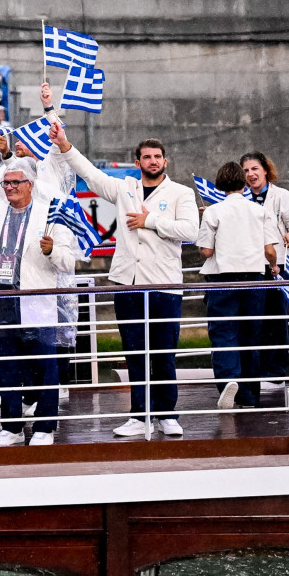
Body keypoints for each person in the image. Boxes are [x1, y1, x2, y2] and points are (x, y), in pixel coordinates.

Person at [53, 123, 199, 436]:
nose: (153, 161)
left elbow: (191, 231)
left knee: (163, 353)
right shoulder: (126, 189)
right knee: (134, 351)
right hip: (128, 283)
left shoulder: (181, 193)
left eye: (158, 156)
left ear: (165, 161)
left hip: (164, 284)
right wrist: (65, 145)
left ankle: (167, 414)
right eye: (147, 157)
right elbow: (91, 174)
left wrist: (151, 221)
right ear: (138, 163)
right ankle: (139, 415)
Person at [0, 160, 80, 446]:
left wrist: (52, 250)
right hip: (0, 299)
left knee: (45, 366)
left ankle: (45, 426)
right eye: (6, 182)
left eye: (16, 182)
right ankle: (12, 426)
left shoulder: (51, 216)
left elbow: (68, 261)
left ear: (31, 184)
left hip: (36, 299)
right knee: (6, 366)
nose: (10, 187)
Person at [196, 162, 276, 412]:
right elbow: (270, 250)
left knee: (223, 333)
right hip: (254, 277)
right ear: (243, 183)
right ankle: (250, 395)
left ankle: (228, 381)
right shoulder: (259, 210)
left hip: (223, 278)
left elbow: (206, 250)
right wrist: (273, 266)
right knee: (251, 335)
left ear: (219, 184)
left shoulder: (213, 212)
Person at [241, 151, 289, 391]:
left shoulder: (282, 196)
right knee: (253, 319)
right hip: (250, 265)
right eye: (246, 171)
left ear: (265, 170)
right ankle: (255, 372)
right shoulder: (240, 198)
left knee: (277, 320)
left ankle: (276, 373)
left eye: (255, 169)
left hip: (279, 264)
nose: (251, 174)